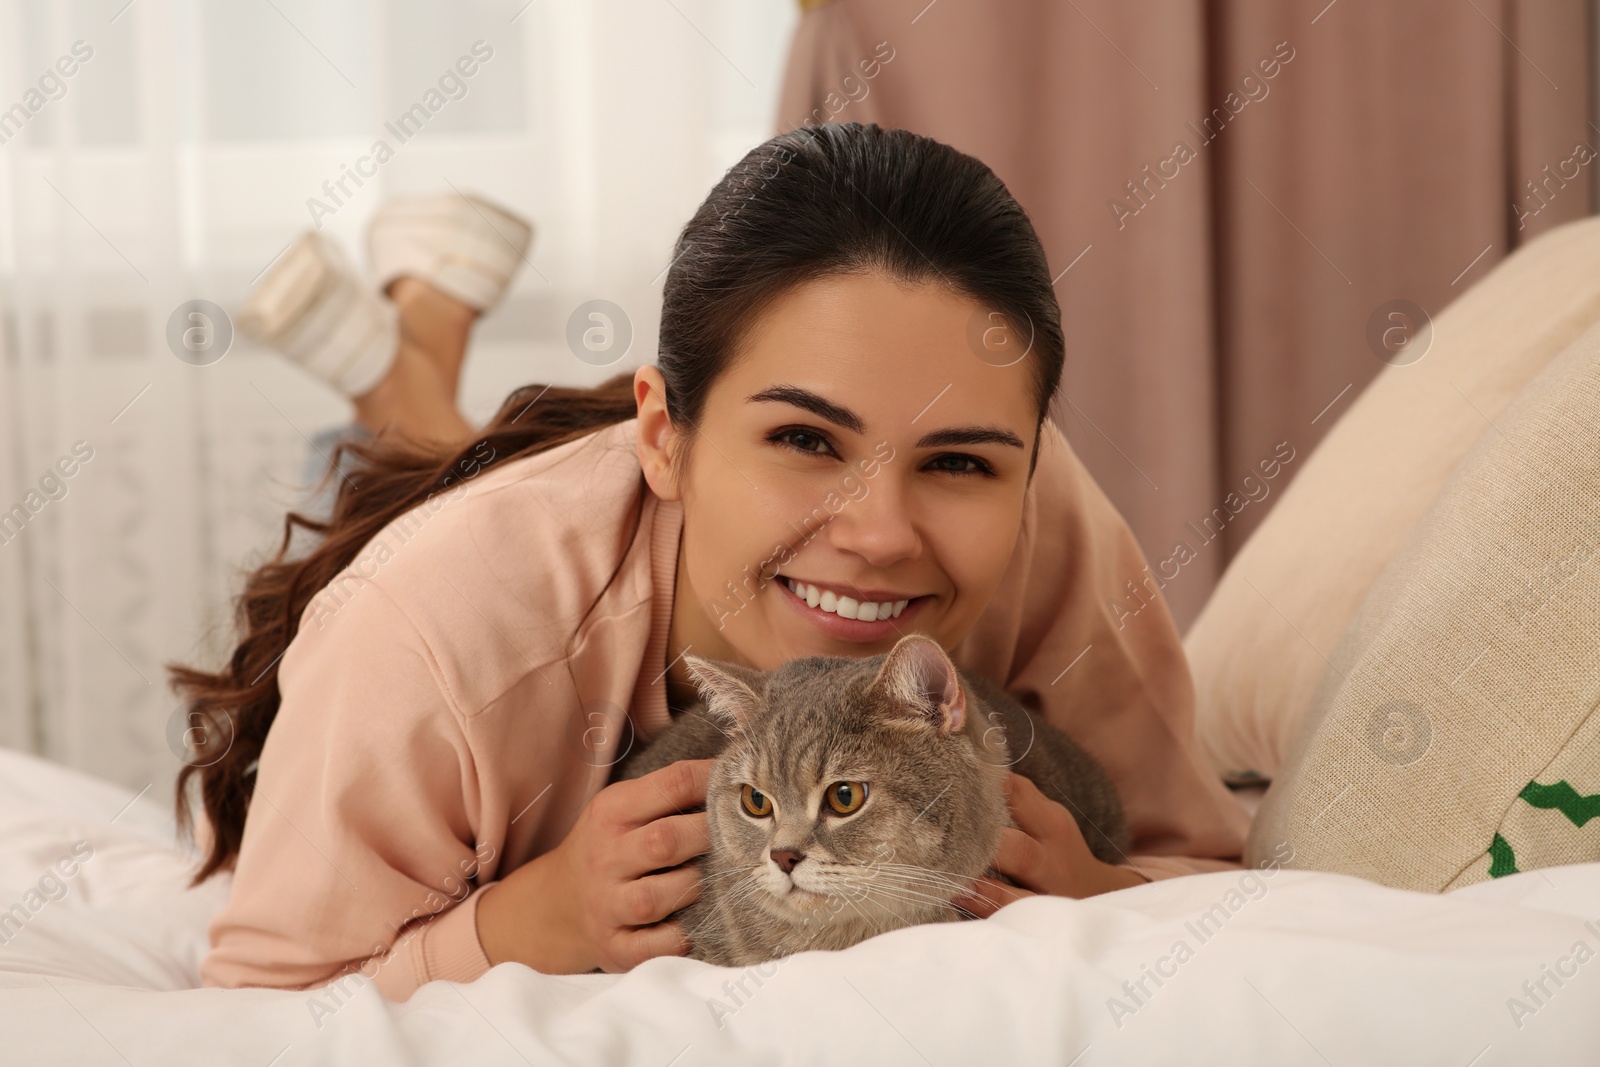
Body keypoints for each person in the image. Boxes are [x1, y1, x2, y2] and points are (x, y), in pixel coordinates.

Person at [172, 122, 1249, 1003]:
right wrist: (529, 918)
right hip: (474, 571)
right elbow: (263, 1003)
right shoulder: (428, 628)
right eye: (804, 439)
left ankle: (415, 349)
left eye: (958, 459)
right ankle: (409, 367)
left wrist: (1099, 890)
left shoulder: (1042, 508)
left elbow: (1193, 852)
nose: (881, 534)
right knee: (372, 480)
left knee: (425, 444)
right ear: (663, 436)